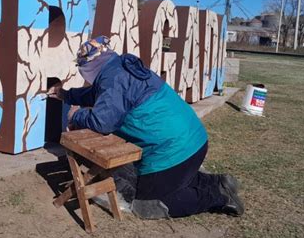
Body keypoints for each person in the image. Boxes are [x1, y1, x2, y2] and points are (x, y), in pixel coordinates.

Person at [48, 36, 244, 219]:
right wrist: (67, 95)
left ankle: (218, 198)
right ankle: (217, 182)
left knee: (148, 205)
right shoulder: (121, 68)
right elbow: (99, 95)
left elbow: (103, 122)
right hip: (195, 142)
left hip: (172, 152)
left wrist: (77, 114)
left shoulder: (113, 79)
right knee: (171, 181)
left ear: (89, 66)